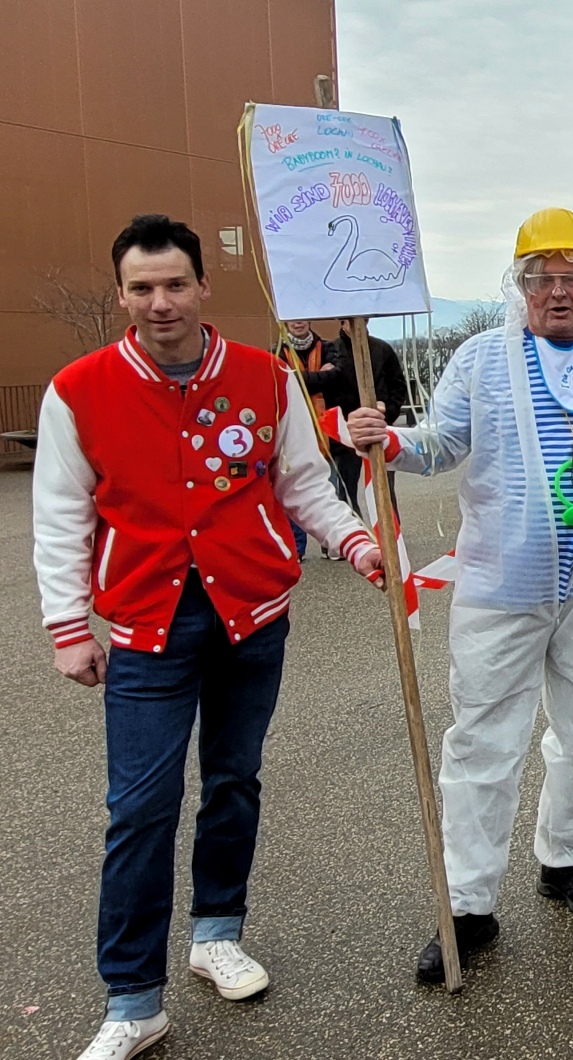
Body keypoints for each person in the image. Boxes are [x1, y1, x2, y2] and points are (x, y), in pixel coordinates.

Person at [32, 214, 382, 1060]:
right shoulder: (78, 390)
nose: (161, 302)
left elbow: (304, 484)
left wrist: (357, 541)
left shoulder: (265, 378)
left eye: (174, 284)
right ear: (123, 295)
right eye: (142, 288)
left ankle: (217, 931)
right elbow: (60, 516)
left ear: (202, 286)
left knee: (233, 780)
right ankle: (133, 999)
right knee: (139, 809)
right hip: (146, 625)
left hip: (251, 619)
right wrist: (68, 626)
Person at [348, 208, 573, 981]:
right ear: (520, 286)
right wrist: (389, 442)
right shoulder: (481, 359)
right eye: (540, 278)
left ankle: (565, 859)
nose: (557, 292)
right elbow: (441, 445)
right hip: (502, 586)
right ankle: (466, 904)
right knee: (482, 742)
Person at [308, 318, 409, 512]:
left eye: (361, 321)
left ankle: (391, 529)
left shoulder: (381, 349)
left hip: (379, 430)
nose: (356, 326)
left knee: (385, 491)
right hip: (344, 436)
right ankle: (352, 530)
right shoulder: (332, 351)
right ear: (342, 323)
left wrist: (387, 413)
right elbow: (323, 389)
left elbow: (398, 386)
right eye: (350, 322)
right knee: (344, 493)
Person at [276, 320, 334, 559]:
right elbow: (280, 383)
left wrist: (298, 378)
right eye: (292, 319)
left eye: (301, 318)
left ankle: (332, 544)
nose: (297, 323)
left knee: (332, 489)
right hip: (292, 428)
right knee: (294, 487)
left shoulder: (328, 348)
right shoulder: (277, 351)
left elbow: (337, 378)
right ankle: (296, 548)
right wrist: (319, 376)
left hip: (329, 433)